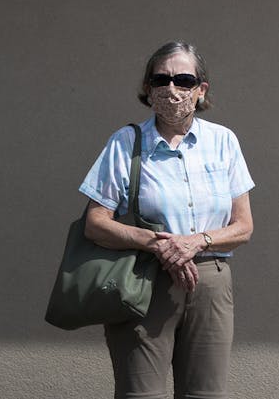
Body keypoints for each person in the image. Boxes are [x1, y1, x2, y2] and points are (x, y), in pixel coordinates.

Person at [80, 42, 255, 399]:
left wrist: (196, 241)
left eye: (183, 80)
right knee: (140, 394)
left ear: (201, 89)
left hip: (210, 282)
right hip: (144, 281)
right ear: (148, 88)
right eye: (161, 79)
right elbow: (95, 223)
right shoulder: (126, 143)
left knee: (206, 394)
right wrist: (160, 245)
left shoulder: (223, 141)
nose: (171, 89)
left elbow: (243, 227)